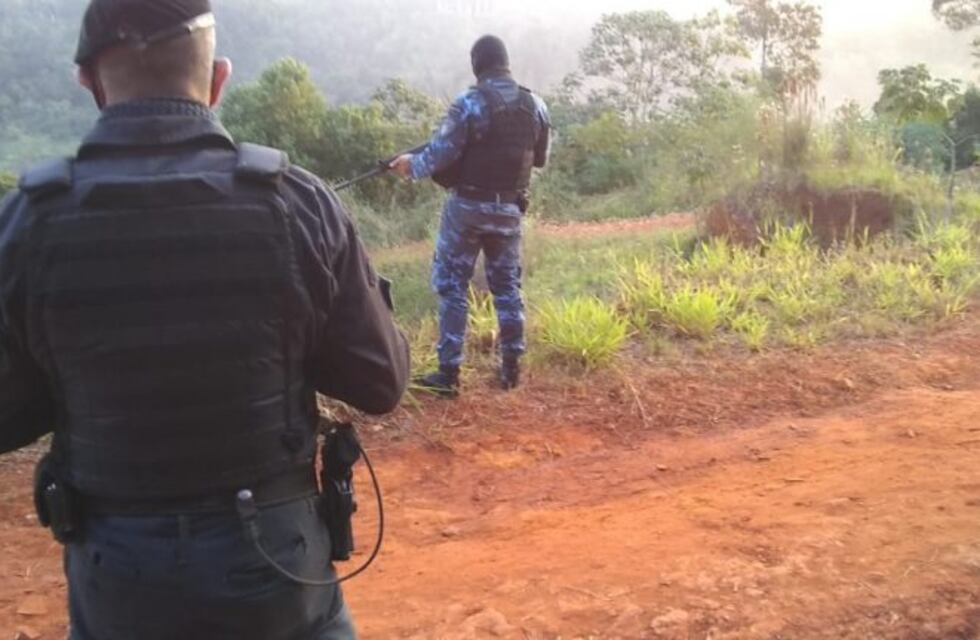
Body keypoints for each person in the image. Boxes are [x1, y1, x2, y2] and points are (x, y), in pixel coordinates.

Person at [0, 1, 409, 638]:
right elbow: (381, 382)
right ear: (218, 78)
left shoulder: (27, 221)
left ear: (88, 82)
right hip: (277, 560)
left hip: (117, 569)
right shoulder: (297, 202)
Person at [391, 35, 550, 397]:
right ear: (505, 63)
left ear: (477, 65)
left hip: (466, 210)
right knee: (507, 287)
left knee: (452, 285)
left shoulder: (469, 103)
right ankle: (511, 368)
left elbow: (437, 158)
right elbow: (539, 159)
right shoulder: (536, 104)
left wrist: (406, 165)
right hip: (510, 210)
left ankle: (448, 375)